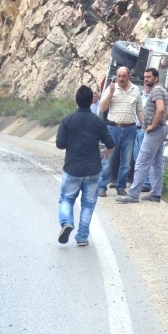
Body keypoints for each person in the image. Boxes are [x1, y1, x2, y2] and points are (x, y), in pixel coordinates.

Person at [56, 86, 115, 246]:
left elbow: (60, 144)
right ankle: (82, 237)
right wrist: (104, 151)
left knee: (66, 199)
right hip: (93, 169)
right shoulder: (98, 121)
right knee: (88, 204)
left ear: (76, 101)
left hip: (72, 168)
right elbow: (110, 144)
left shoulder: (67, 120)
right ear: (91, 101)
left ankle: (67, 222)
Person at [117, 68, 168, 204]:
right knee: (156, 164)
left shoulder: (156, 90)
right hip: (160, 130)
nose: (146, 79)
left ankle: (132, 194)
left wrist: (153, 124)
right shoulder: (162, 89)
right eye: (144, 77)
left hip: (154, 132)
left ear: (156, 78)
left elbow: (161, 108)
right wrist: (162, 121)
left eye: (149, 77)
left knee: (141, 162)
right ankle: (156, 194)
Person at [98, 67, 144, 197]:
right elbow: (102, 107)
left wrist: (145, 125)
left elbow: (139, 110)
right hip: (114, 128)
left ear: (129, 76)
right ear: (116, 76)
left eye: (124, 76)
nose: (121, 79)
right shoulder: (111, 88)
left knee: (126, 161)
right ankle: (102, 187)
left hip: (130, 129)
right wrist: (111, 93)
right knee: (108, 159)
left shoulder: (136, 90)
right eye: (119, 76)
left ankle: (121, 187)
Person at [133, 84, 153, 192]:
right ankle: (139, 182)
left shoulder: (153, 98)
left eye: (149, 85)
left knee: (145, 158)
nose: (147, 86)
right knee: (137, 159)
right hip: (135, 129)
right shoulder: (141, 97)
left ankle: (147, 183)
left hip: (144, 130)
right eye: (145, 84)